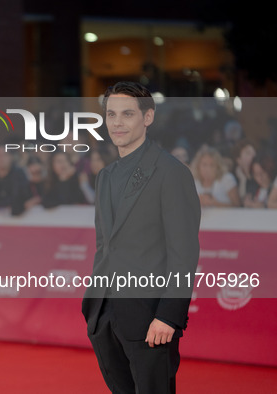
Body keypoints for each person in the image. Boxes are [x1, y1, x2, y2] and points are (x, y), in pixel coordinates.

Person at [81, 82, 201, 394]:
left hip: (150, 319)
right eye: (110, 115)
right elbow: (103, 245)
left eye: (127, 114)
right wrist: (94, 306)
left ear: (147, 118)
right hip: (105, 315)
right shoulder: (105, 176)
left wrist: (169, 316)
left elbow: (184, 253)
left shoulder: (171, 172)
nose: (117, 123)